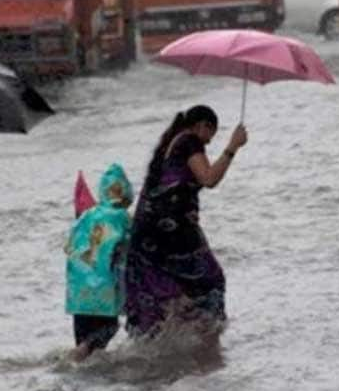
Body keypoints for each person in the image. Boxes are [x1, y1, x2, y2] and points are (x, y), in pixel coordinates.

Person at [124, 105, 247, 348]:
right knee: (211, 280)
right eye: (210, 135)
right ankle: (207, 342)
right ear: (202, 126)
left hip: (150, 230)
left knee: (174, 289)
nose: (209, 143)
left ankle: (172, 346)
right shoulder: (189, 141)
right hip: (171, 230)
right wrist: (233, 147)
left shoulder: (170, 144)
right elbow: (209, 178)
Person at [65, 163, 134, 362]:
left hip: (77, 292)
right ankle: (81, 352)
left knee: (84, 343)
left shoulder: (87, 215)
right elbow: (133, 247)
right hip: (103, 289)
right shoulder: (122, 217)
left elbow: (70, 247)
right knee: (108, 328)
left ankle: (79, 357)